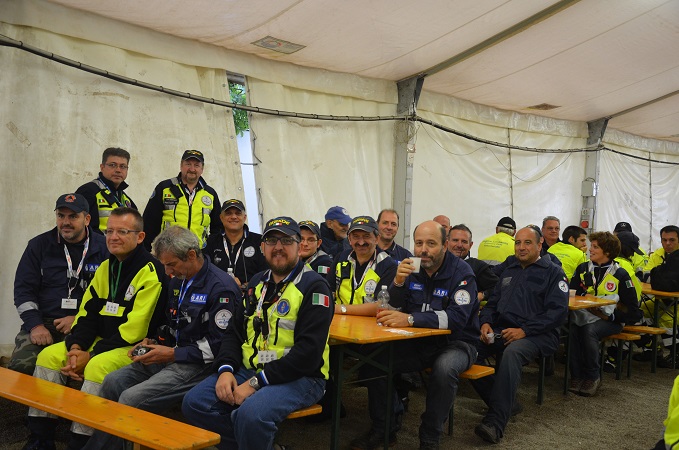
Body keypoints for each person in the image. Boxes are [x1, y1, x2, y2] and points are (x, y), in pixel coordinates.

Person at [82, 226, 240, 450]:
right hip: (171, 355)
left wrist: (173, 354)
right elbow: (172, 322)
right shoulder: (177, 280)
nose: (167, 271)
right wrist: (154, 341)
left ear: (191, 255)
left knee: (130, 399)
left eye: (171, 264)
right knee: (112, 382)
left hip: (199, 364)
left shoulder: (221, 288)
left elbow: (220, 346)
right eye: (164, 265)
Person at [181, 217, 334, 450]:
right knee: (194, 403)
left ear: (299, 246)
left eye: (286, 241)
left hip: (302, 377)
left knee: (250, 415)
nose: (278, 247)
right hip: (252, 368)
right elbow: (234, 332)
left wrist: (256, 383)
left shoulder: (314, 286)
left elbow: (308, 354)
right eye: (271, 241)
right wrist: (225, 369)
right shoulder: (257, 283)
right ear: (262, 247)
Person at [22, 207, 165, 450]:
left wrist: (90, 355)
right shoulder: (106, 267)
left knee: (97, 367)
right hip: (100, 342)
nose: (113, 237)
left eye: (122, 232)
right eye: (109, 231)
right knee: (48, 357)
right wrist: (77, 347)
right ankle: (40, 437)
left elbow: (134, 330)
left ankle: (82, 441)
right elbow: (87, 314)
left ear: (140, 237)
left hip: (133, 346)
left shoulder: (151, 272)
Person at [350, 221, 479, 450]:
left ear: (445, 245)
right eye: (419, 243)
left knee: (444, 369)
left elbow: (457, 319)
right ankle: (385, 428)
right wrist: (398, 283)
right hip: (418, 340)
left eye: (431, 244)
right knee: (374, 360)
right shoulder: (411, 268)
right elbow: (392, 308)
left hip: (457, 343)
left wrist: (411, 319)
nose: (423, 250)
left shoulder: (462, 273)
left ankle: (429, 438)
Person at [472, 226, 569, 444]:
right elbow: (493, 303)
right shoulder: (510, 270)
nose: (521, 247)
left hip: (539, 335)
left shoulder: (553, 273)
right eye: (518, 242)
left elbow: (557, 313)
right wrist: (485, 322)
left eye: (527, 243)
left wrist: (525, 330)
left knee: (512, 353)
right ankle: (506, 403)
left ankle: (495, 423)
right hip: (504, 330)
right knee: (468, 350)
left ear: (540, 244)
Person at [9, 194, 108, 375]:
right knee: (20, 368)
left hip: (86, 323)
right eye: (61, 216)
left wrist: (79, 319)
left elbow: (112, 295)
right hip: (44, 322)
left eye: (73, 216)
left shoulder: (105, 248)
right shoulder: (38, 245)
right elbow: (24, 291)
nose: (65, 222)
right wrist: (35, 325)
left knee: (75, 369)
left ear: (87, 219)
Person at [568, 231, 641, 397]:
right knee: (573, 328)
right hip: (584, 316)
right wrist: (583, 297)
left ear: (607, 252)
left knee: (589, 330)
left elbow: (633, 311)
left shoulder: (620, 274)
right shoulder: (582, 269)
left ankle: (593, 376)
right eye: (591, 246)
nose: (590, 250)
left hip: (611, 321)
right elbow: (572, 293)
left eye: (595, 247)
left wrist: (610, 316)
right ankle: (576, 376)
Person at [142, 150, 221, 250]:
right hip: (168, 252)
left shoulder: (210, 194)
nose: (192, 169)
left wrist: (210, 251)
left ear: (202, 169)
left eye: (196, 165)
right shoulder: (164, 188)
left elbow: (218, 228)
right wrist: (147, 252)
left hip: (198, 254)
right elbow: (149, 222)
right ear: (181, 166)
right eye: (188, 164)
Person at [329, 215, 397, 316]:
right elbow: (329, 291)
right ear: (349, 239)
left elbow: (380, 306)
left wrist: (341, 309)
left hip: (369, 323)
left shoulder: (387, 265)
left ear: (377, 238)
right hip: (338, 320)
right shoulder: (341, 258)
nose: (361, 242)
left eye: (366, 236)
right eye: (356, 237)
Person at [205, 199, 267, 291]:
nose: (233, 217)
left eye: (238, 213)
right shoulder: (211, 242)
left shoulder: (259, 241)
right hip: (218, 294)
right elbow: (204, 273)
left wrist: (245, 286)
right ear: (221, 218)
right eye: (228, 213)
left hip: (251, 295)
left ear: (244, 217)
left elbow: (266, 273)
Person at [75, 147, 137, 234]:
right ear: (102, 167)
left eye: (123, 166)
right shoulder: (88, 191)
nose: (118, 170)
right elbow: (78, 228)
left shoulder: (126, 199)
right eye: (112, 165)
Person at [448, 224, 498, 303]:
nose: (459, 245)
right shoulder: (437, 264)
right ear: (447, 242)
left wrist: (482, 295)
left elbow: (498, 287)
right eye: (455, 240)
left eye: (464, 241)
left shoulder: (478, 267)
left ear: (470, 245)